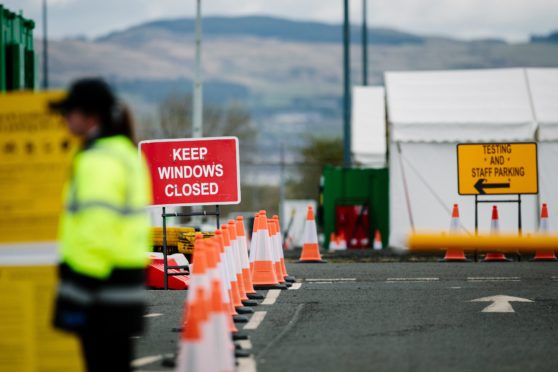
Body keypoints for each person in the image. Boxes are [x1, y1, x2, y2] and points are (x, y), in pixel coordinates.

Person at [50, 78, 152, 372]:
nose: (65, 119)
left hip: (100, 292)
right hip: (122, 289)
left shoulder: (100, 161)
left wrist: (75, 293)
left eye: (69, 112)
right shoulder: (123, 153)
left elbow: (97, 231)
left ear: (90, 116)